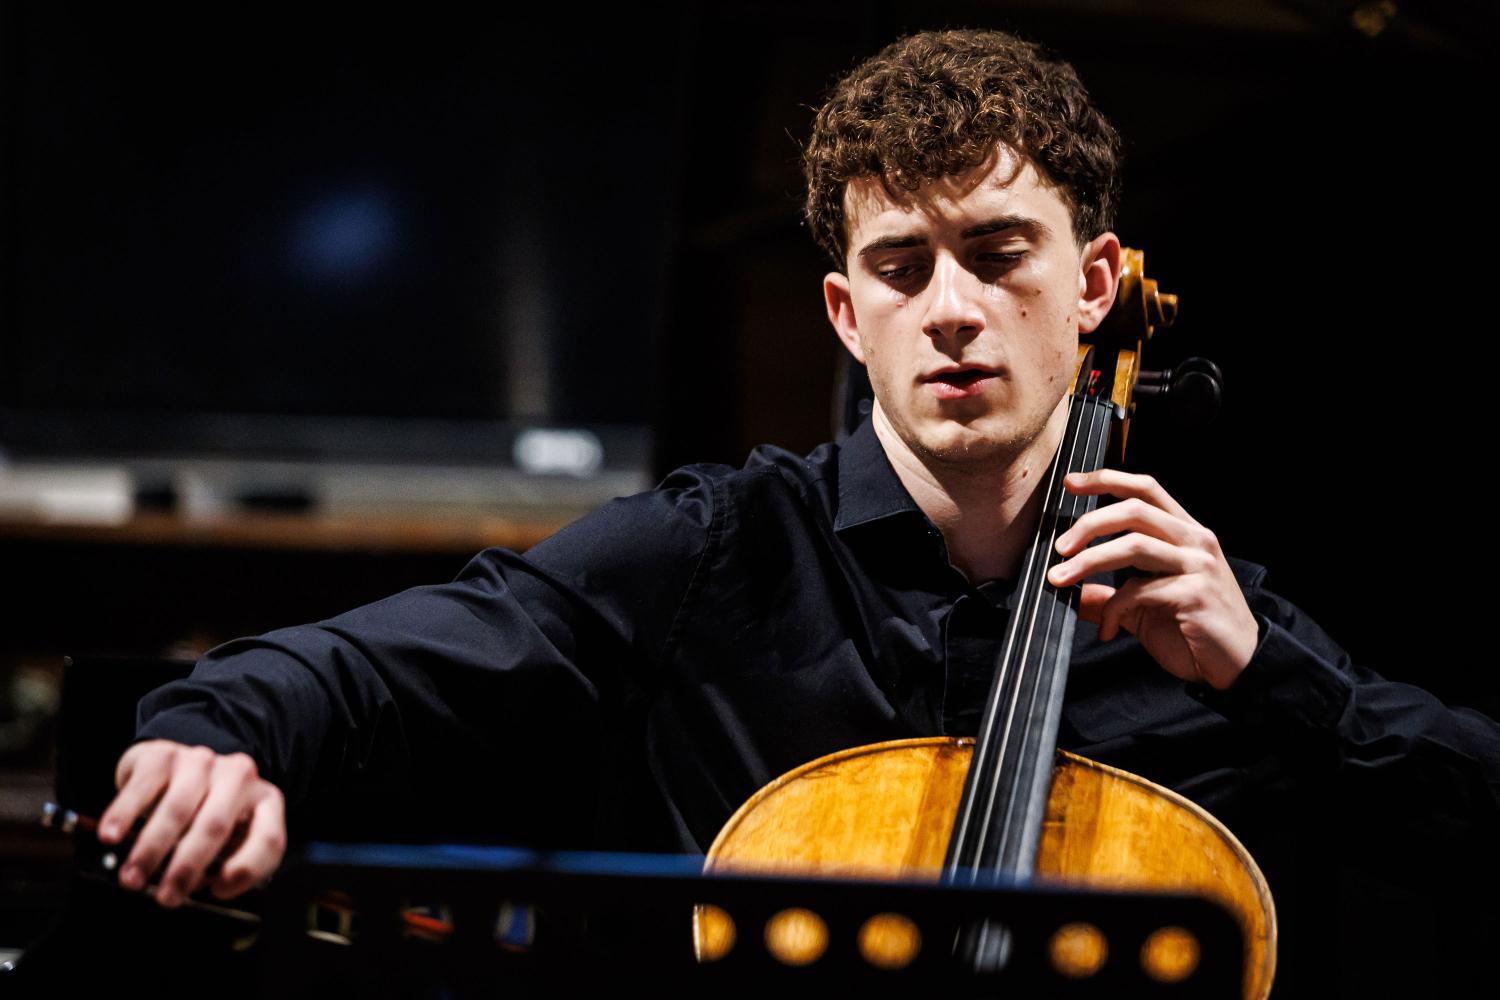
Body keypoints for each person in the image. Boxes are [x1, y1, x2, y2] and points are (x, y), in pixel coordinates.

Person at [96, 27, 1498, 986]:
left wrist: (1274, 679)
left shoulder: (1200, 619)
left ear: (1093, 285)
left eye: (999, 252)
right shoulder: (713, 554)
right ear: (844, 312)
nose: (951, 309)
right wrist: (216, 734)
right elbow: (367, 665)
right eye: (902, 268)